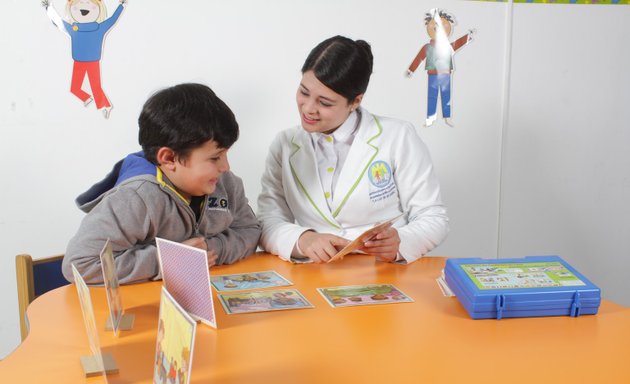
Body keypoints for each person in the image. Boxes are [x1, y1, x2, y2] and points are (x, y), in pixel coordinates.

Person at [257, 35, 449, 264]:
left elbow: (433, 217)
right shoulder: (285, 144)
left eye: (324, 103)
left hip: (382, 273)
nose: (308, 109)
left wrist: (400, 242)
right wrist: (303, 239)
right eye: (304, 92)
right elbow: (268, 219)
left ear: (355, 101)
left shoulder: (397, 136)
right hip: (314, 274)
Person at [63, 83, 261, 284]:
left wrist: (209, 250)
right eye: (215, 158)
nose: (226, 166)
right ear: (168, 158)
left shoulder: (226, 184)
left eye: (226, 154)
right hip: (149, 308)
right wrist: (168, 260)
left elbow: (250, 231)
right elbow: (80, 265)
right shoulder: (135, 197)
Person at [42, 0, 127, 118]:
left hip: (93, 62)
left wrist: (121, 6)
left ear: (99, 8)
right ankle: (89, 99)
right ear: (71, 8)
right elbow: (59, 22)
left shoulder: (100, 28)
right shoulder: (74, 28)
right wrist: (49, 8)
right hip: (78, 62)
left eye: (90, 4)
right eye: (78, 4)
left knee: (95, 87)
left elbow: (113, 19)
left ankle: (105, 106)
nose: (84, 6)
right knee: (74, 88)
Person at [406, 8, 474, 127]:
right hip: (432, 74)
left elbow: (457, 44)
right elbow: (419, 58)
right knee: (432, 96)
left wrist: (467, 37)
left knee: (446, 96)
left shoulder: (448, 46)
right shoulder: (427, 47)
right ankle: (430, 118)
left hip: (445, 74)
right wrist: (411, 70)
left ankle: (447, 117)